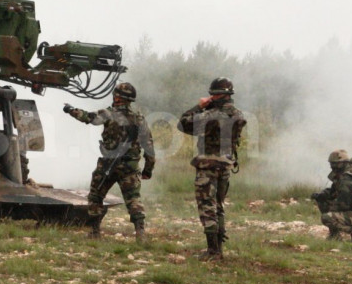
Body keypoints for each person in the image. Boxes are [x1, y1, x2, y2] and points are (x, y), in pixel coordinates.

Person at [64, 82, 155, 240]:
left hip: (108, 165)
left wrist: (70, 110)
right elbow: (149, 147)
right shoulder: (140, 119)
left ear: (117, 98)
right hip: (130, 167)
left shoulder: (108, 113)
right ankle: (140, 232)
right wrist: (148, 169)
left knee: (95, 196)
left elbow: (88, 118)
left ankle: (94, 231)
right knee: (133, 198)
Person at [177, 77, 247, 261]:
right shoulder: (239, 115)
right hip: (225, 165)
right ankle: (219, 248)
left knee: (207, 207)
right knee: (218, 206)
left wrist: (199, 106)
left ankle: (213, 251)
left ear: (216, 95)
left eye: (212, 94)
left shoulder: (210, 115)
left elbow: (183, 123)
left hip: (208, 166)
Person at [311, 151, 352, 241]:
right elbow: (333, 192)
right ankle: (335, 235)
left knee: (327, 217)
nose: (332, 166)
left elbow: (343, 205)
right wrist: (322, 195)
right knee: (323, 201)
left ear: (344, 163)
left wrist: (331, 211)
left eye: (335, 164)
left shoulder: (347, 179)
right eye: (331, 164)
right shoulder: (343, 176)